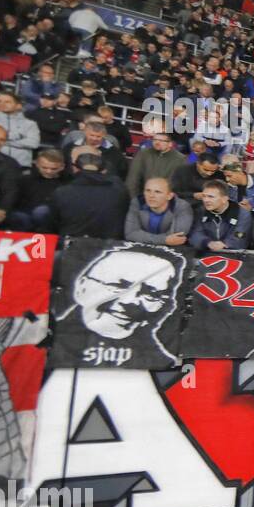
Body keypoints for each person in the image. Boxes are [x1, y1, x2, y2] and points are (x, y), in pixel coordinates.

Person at [53, 242, 184, 367]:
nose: (130, 301)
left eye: (151, 294)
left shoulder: (163, 362)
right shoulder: (46, 348)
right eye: (118, 286)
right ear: (82, 287)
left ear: (165, 305)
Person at [48, 152, 129, 239]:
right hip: (110, 246)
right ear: (104, 171)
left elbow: (51, 225)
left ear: (74, 168)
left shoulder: (61, 192)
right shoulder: (119, 191)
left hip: (70, 244)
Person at [124, 177, 193, 247]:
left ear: (169, 196)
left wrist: (143, 237)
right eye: (148, 190)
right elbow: (131, 233)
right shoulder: (137, 202)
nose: (151, 195)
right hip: (142, 248)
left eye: (157, 192)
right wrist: (164, 240)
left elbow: (177, 238)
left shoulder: (182, 207)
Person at [190, 179, 253, 252]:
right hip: (208, 253)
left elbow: (240, 239)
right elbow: (195, 234)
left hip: (234, 255)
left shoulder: (242, 213)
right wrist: (208, 243)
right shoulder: (201, 211)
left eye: (211, 197)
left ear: (224, 199)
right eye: (204, 196)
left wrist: (224, 244)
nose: (206, 200)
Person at [126, 129, 187, 195]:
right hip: (142, 196)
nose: (157, 142)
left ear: (170, 144)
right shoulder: (143, 153)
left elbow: (176, 184)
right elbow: (133, 179)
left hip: (166, 198)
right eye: (155, 140)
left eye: (161, 141)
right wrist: (134, 199)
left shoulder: (180, 159)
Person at [0, 92, 40, 166]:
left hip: (20, 164)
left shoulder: (30, 124)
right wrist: (18, 137)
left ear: (18, 106)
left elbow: (33, 143)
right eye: (0, 101)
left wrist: (4, 141)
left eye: (7, 102)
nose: (2, 104)